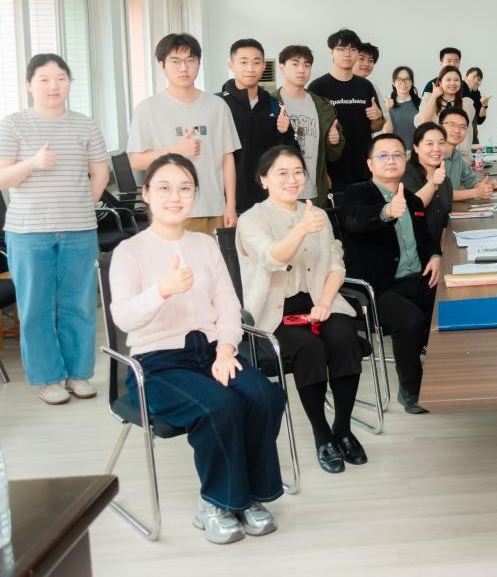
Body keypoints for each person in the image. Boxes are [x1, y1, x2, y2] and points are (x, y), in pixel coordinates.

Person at [109, 154, 285, 543]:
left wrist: (226, 349)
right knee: (219, 406)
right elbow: (124, 318)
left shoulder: (205, 245)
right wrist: (161, 290)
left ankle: (250, 496)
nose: (175, 197)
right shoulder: (129, 252)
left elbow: (228, 304)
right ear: (146, 194)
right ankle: (217, 502)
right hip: (157, 363)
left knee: (264, 395)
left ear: (195, 195)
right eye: (164, 188)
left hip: (212, 351)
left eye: (184, 188)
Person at [236, 146, 366, 474]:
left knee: (345, 339)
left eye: (297, 172)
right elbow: (272, 258)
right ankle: (322, 435)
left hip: (320, 301)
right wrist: (301, 229)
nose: (293, 179)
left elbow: (336, 263)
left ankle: (343, 428)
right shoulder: (251, 220)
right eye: (282, 173)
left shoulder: (316, 214)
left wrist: (324, 303)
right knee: (309, 348)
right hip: (275, 311)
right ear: (263, 179)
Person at [0, 53, 108, 404]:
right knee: (36, 308)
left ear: (69, 83)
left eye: (61, 78)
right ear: (29, 84)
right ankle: (47, 379)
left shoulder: (85, 124)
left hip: (79, 230)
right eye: (44, 79)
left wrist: (82, 205)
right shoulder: (13, 124)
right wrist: (33, 162)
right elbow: (2, 177)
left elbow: (100, 172)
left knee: (79, 305)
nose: (54, 86)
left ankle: (79, 375)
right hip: (28, 232)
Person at [340, 134, 443, 416]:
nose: (391, 160)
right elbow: (354, 221)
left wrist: (435, 256)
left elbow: (427, 240)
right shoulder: (356, 194)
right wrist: (386, 211)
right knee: (411, 320)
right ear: (370, 164)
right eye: (383, 156)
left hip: (416, 279)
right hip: (376, 287)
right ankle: (411, 388)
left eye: (397, 155)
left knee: (451, 305)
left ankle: (444, 373)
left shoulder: (412, 199)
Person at [128, 33, 240, 234]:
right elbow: (136, 161)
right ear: (162, 65)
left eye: (190, 60)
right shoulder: (148, 108)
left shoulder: (217, 106)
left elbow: (227, 158)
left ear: (198, 63)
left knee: (215, 256)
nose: (183, 68)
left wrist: (230, 204)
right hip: (170, 210)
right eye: (175, 61)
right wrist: (176, 151)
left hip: (214, 208)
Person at [220, 39, 296, 215]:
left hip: (269, 199)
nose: (250, 68)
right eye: (243, 62)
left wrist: (284, 132)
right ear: (231, 66)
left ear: (263, 66)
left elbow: (289, 152)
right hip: (229, 202)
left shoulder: (274, 104)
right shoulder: (219, 103)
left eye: (256, 62)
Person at [307, 29, 384, 191]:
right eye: (341, 49)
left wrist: (378, 118)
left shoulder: (365, 86)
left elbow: (375, 127)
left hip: (364, 169)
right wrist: (322, 171)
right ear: (331, 52)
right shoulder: (317, 87)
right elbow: (312, 135)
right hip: (333, 171)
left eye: (353, 49)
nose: (347, 54)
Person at [275, 45, 345, 208]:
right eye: (295, 64)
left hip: (314, 191)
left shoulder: (322, 105)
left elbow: (334, 155)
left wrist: (333, 142)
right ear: (282, 67)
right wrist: (278, 132)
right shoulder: (270, 104)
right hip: (280, 192)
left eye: (307, 65)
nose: (302, 70)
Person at [418, 106, 497, 201]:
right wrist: (475, 192)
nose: (457, 131)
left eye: (462, 127)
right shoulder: (433, 156)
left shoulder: (457, 155)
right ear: (440, 127)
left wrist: (486, 187)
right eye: (452, 125)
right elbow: (438, 193)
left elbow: (470, 179)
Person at [405, 122, 454, 250]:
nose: (436, 149)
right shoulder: (405, 174)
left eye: (441, 143)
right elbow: (415, 205)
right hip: (414, 253)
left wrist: (443, 254)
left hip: (437, 253)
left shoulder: (445, 180)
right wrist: (433, 183)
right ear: (416, 147)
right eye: (430, 144)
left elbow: (445, 224)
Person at [417, 65, 478, 153]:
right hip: (436, 154)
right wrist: (434, 96)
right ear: (440, 82)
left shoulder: (466, 104)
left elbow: (464, 128)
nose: (452, 83)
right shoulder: (429, 100)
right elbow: (423, 123)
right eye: (448, 80)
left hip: (461, 155)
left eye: (456, 80)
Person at [387, 66, 422, 151]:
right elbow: (386, 133)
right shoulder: (388, 105)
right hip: (395, 151)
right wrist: (386, 110)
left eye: (407, 79)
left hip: (417, 152)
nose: (403, 83)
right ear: (393, 83)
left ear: (412, 82)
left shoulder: (420, 104)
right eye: (399, 79)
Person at [464, 66, 488, 145]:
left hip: (473, 139)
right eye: (474, 77)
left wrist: (484, 105)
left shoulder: (476, 94)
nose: (476, 81)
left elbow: (480, 120)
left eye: (479, 79)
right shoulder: (458, 88)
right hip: (460, 139)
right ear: (466, 77)